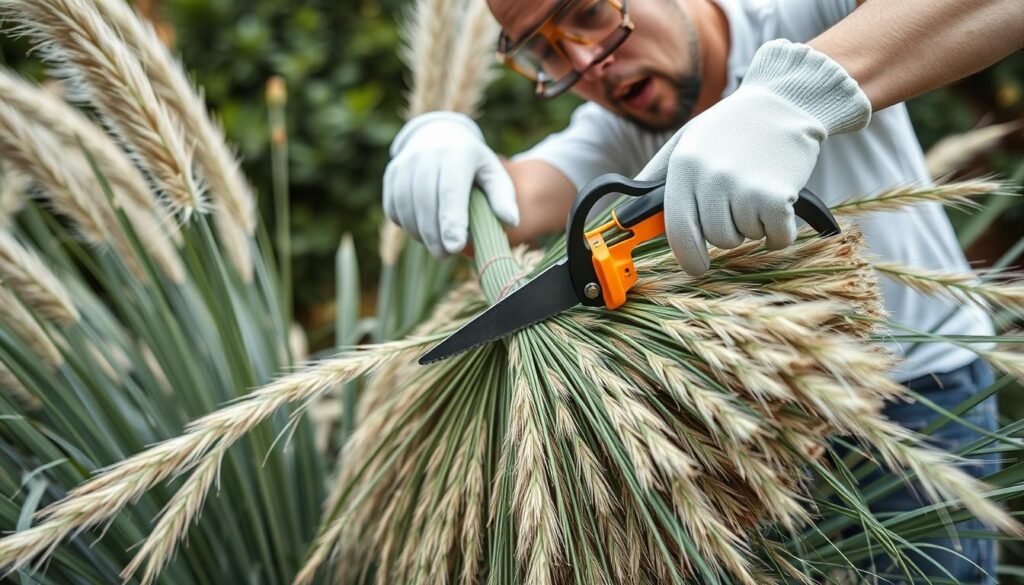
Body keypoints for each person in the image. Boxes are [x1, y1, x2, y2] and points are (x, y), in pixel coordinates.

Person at [383, 0, 1024, 581]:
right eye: (544, 51)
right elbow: (512, 199)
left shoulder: (799, 15)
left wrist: (795, 95)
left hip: (924, 402)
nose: (585, 61)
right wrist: (447, 144)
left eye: (586, 12)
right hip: (769, 430)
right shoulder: (617, 131)